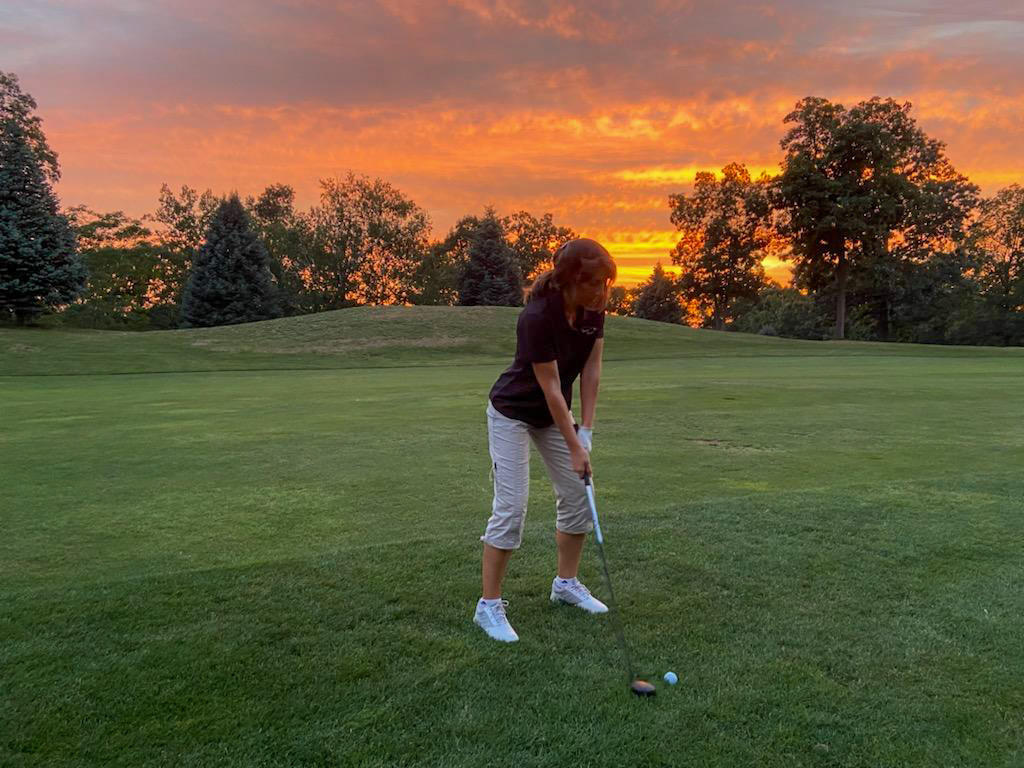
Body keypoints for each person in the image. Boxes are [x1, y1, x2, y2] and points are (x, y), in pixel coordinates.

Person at [474, 238, 617, 643]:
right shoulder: (536, 317)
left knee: (578, 494)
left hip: (555, 416)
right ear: (571, 280)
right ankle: (488, 606)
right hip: (512, 412)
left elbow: (591, 371)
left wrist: (585, 431)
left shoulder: (594, 311)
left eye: (607, 283)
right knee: (512, 506)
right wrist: (574, 447)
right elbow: (551, 388)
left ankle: (565, 584)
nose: (603, 292)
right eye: (595, 283)